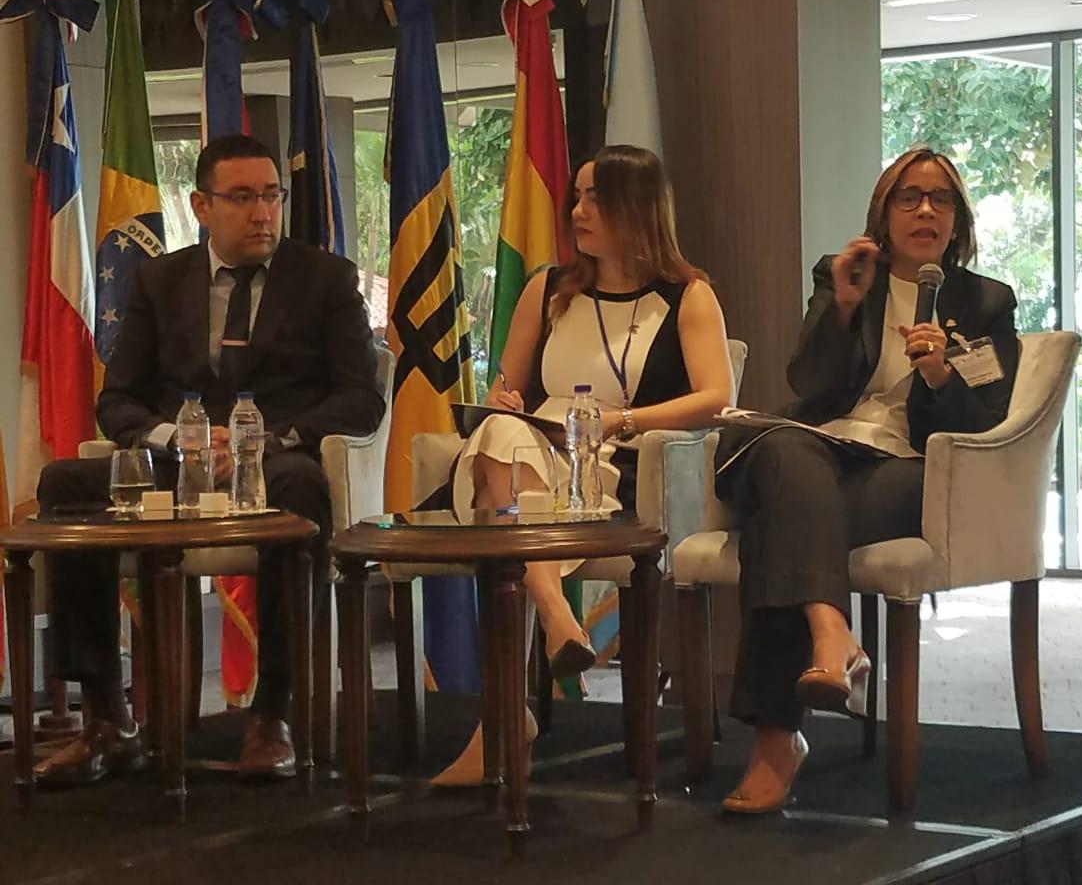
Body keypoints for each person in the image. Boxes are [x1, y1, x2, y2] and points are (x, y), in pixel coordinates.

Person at [34, 134, 385, 785]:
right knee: (65, 483)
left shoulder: (325, 280)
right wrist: (179, 438)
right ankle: (108, 716)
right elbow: (117, 401)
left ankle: (271, 714)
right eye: (242, 198)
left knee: (303, 489)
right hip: (179, 463)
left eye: (272, 196)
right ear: (202, 206)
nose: (262, 213)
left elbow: (361, 400)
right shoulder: (159, 281)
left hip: (276, 459)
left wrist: (265, 440)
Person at [715, 146, 1021, 813]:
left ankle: (777, 741)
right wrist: (844, 309)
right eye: (909, 197)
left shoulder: (986, 301)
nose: (925, 210)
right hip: (819, 451)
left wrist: (940, 376)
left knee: (781, 521)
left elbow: (988, 424)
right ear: (883, 215)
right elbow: (808, 383)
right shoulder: (845, 275)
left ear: (958, 220)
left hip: (907, 468)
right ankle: (832, 636)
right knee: (788, 460)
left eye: (940, 199)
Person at [430, 144, 734, 787]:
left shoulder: (687, 295)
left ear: (637, 206)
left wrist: (622, 421)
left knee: (500, 510)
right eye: (577, 196)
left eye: (595, 197)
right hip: (530, 450)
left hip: (615, 462)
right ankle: (554, 612)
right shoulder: (547, 290)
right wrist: (505, 403)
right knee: (503, 435)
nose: (577, 210)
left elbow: (716, 397)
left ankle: (502, 718)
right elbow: (505, 388)